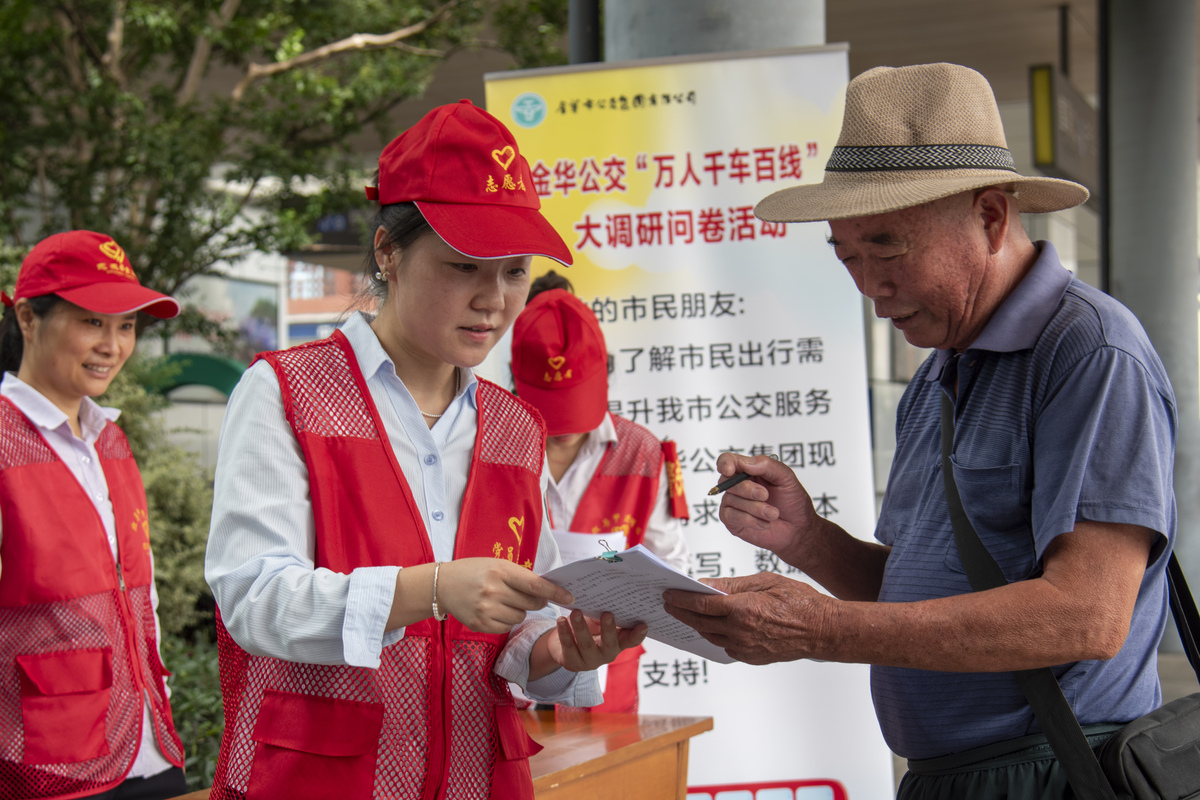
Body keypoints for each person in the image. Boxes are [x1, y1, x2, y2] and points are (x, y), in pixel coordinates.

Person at [662, 63, 1177, 799]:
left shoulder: (1089, 349)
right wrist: (808, 540)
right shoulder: (939, 372)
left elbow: (1085, 617)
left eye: (889, 248)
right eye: (848, 257)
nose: (871, 289)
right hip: (948, 778)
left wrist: (819, 631)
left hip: (1055, 773)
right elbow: (912, 593)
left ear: (991, 217)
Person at [204, 99, 647, 800]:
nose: (493, 301)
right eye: (464, 267)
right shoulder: (286, 392)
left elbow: (511, 631)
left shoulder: (513, 427)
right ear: (387, 250)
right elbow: (255, 598)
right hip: (323, 780)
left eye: (512, 272)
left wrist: (556, 651)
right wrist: (430, 590)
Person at [0, 231, 186, 799]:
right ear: (29, 317)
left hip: (151, 748)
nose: (112, 345)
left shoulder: (111, 441)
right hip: (49, 769)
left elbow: (140, 593)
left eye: (126, 326)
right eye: (91, 322)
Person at [509, 274, 689, 713]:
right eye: (552, 415)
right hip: (501, 685)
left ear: (604, 376)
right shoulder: (488, 447)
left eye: (575, 407)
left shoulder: (644, 454)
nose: (564, 432)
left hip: (606, 681)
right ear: (515, 379)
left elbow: (673, 569)